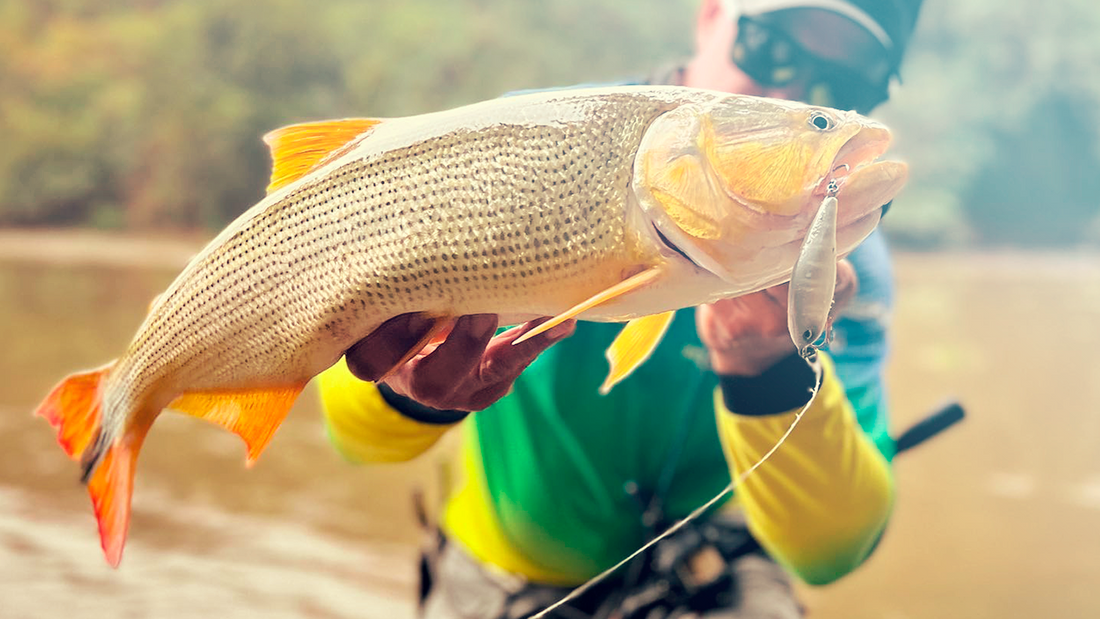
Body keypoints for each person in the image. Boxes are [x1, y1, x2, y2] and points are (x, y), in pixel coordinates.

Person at [317, 0, 923, 617]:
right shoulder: (527, 139)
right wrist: (405, 388)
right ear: (712, 15)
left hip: (707, 575)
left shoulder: (849, 267)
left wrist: (770, 374)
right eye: (773, 49)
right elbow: (355, 439)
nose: (789, 90)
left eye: (842, 87)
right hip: (498, 579)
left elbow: (831, 553)